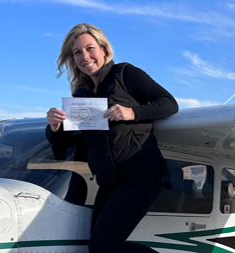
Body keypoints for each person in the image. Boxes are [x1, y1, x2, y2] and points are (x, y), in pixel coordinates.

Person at [45, 23, 178, 253]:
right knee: (97, 249)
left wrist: (132, 112)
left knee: (102, 247)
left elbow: (169, 103)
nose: (84, 56)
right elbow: (65, 141)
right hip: (109, 181)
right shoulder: (81, 93)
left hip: (142, 176)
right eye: (77, 52)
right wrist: (54, 125)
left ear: (104, 50)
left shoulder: (126, 74)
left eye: (90, 48)